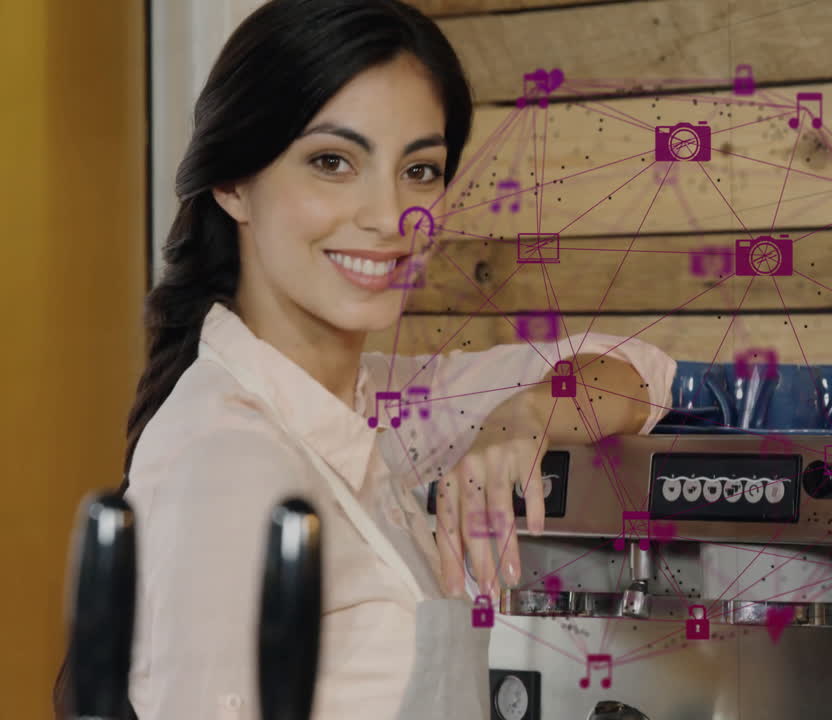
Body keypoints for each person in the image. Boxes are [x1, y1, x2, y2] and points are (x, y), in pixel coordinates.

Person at [52, 0, 675, 718]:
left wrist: (523, 418)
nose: (389, 216)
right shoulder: (226, 462)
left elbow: (639, 371)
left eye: (420, 170)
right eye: (332, 162)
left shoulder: (373, 407)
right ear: (233, 183)